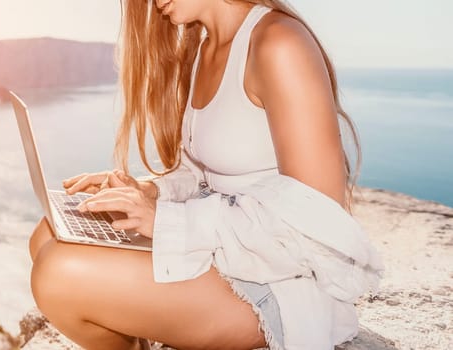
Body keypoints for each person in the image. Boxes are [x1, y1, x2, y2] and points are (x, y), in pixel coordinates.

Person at [28, 1, 383, 349]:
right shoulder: (204, 46)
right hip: (222, 247)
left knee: (58, 273)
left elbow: (317, 219)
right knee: (47, 233)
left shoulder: (279, 42)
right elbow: (202, 171)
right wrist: (149, 193)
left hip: (276, 280)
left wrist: (167, 222)